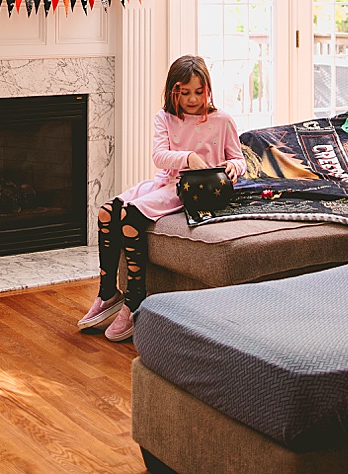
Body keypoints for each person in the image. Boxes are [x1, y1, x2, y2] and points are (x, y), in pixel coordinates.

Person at [77, 55, 246, 341]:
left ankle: (134, 301)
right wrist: (188, 157)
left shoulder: (222, 121)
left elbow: (238, 159)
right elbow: (159, 157)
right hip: (165, 182)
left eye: (198, 92)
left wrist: (234, 167)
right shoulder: (165, 118)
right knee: (106, 212)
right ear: (173, 92)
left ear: (208, 90)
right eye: (185, 92)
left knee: (130, 217)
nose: (192, 99)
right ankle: (108, 293)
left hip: (193, 190)